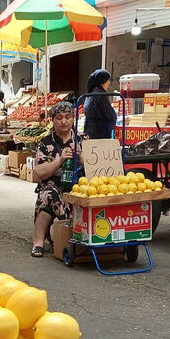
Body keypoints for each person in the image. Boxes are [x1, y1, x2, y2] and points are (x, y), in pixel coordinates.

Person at [28, 101, 76, 258]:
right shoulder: (46, 142)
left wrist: (81, 158)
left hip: (77, 185)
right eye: (59, 117)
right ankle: (38, 242)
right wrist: (59, 161)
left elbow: (93, 167)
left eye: (68, 117)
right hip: (52, 185)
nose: (64, 121)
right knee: (49, 195)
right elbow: (37, 174)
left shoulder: (82, 139)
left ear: (73, 118)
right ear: (53, 120)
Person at [82, 69, 117, 140]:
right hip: (100, 132)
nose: (109, 82)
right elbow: (108, 113)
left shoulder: (90, 93)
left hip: (89, 130)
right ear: (103, 82)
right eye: (108, 80)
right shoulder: (101, 94)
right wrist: (114, 114)